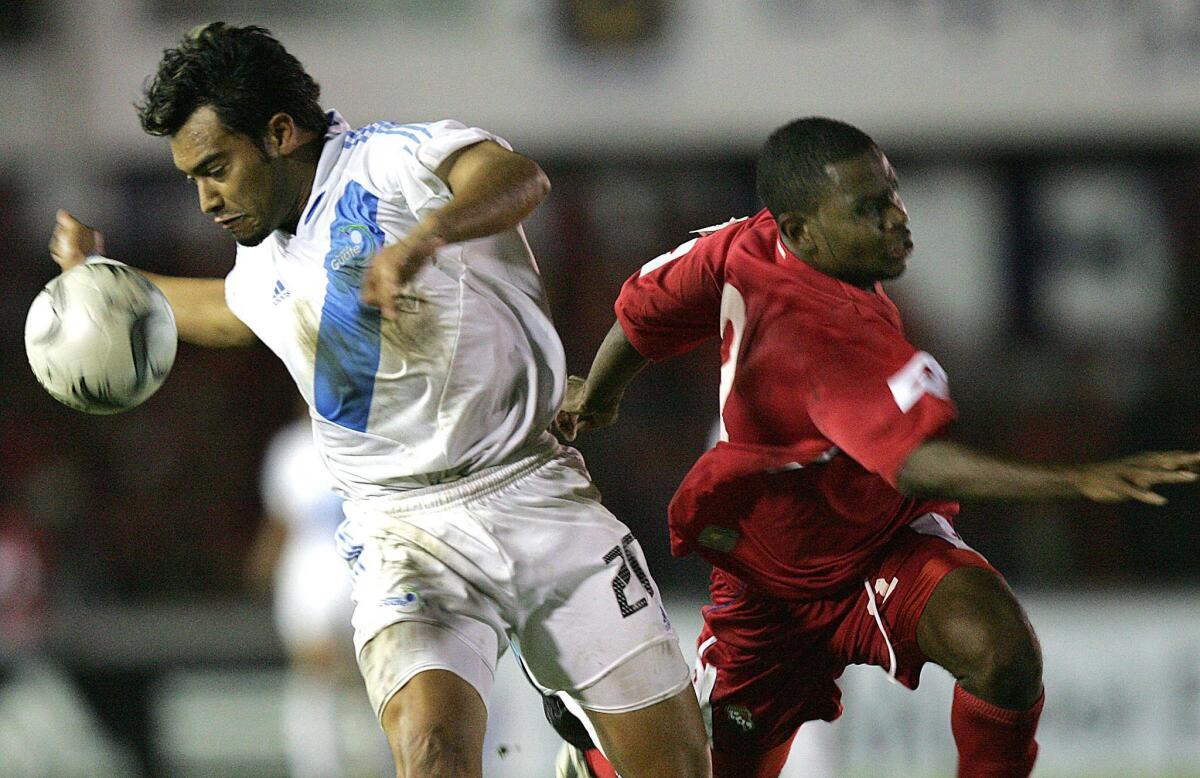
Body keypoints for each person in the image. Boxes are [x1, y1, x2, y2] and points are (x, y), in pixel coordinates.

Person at [47, 23, 709, 778]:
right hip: (404, 533)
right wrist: (108, 282)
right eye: (193, 177)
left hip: (534, 490)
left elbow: (519, 177)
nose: (205, 199)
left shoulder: (393, 159)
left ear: (280, 131)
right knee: (432, 753)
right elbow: (235, 311)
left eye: (217, 169)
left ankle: (589, 761)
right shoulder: (263, 252)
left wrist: (426, 238)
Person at [555, 117, 1200, 777]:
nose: (896, 218)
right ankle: (599, 759)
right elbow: (917, 462)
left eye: (891, 195)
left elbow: (644, 313)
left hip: (878, 547)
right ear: (805, 232)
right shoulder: (826, 334)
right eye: (868, 209)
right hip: (770, 589)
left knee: (999, 650)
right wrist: (1074, 482)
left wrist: (600, 395)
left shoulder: (747, 245)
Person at [245, 401, 390, 777]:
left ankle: (371, 766)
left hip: (362, 574)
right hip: (309, 580)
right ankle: (322, 768)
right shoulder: (291, 448)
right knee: (318, 676)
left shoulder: (370, 442)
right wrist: (264, 565)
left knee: (368, 679)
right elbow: (281, 521)